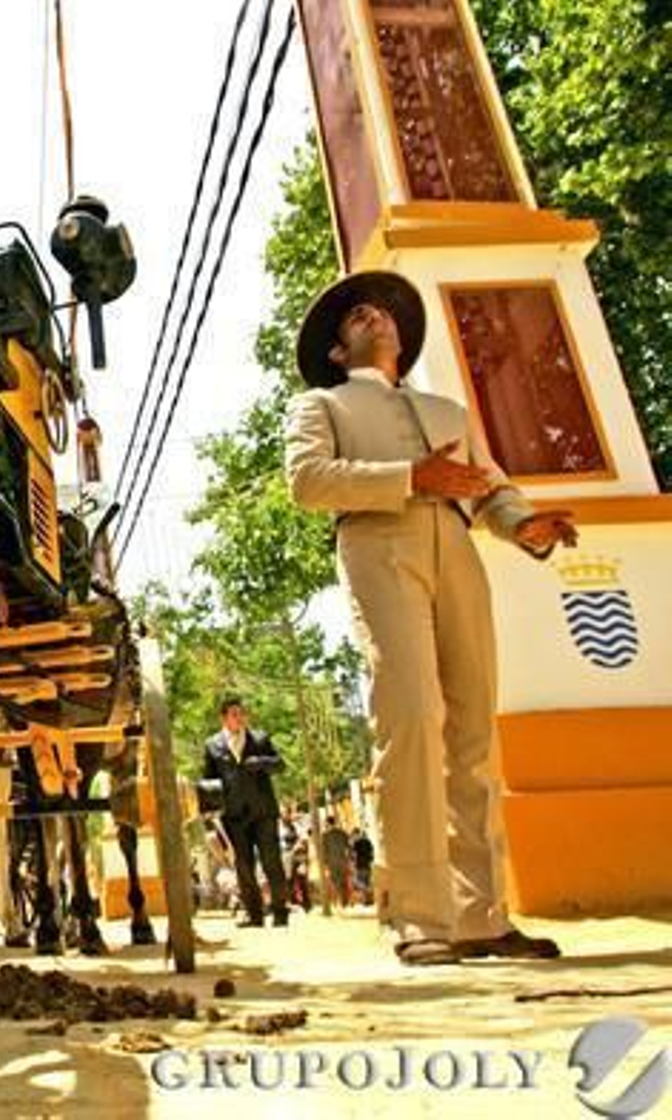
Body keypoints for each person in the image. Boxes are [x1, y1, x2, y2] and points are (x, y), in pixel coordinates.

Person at [285, 270, 577, 966]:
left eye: (382, 311)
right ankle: (417, 916)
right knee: (412, 714)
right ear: (336, 349)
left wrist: (524, 525)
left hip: (457, 549)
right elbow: (306, 481)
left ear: (402, 337)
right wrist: (411, 478)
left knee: (473, 725)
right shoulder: (319, 405)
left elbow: (490, 487)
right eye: (357, 316)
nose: (374, 317)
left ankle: (482, 916)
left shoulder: (449, 412)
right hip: (378, 544)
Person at [200, 697, 290, 928]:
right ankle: (255, 915)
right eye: (234, 714)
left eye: (242, 713)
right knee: (244, 867)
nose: (239, 718)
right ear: (224, 718)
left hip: (263, 812)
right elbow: (208, 780)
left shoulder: (259, 738)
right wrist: (209, 814)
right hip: (234, 815)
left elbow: (280, 764)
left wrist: (260, 762)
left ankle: (281, 912)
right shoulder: (212, 745)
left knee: (272, 863)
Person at [320, 815, 353, 907]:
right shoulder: (343, 833)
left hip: (331, 861)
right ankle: (344, 900)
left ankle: (340, 899)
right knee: (343, 880)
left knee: (334, 880)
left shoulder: (325, 835)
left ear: (327, 823)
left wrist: (325, 863)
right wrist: (349, 859)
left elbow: (324, 850)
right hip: (342, 860)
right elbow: (349, 847)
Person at [352, 828, 376, 904]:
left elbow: (354, 854)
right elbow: (372, 852)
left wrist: (353, 863)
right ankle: (367, 900)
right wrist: (370, 860)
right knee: (366, 881)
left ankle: (366, 896)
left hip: (360, 865)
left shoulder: (356, 843)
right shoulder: (368, 842)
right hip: (367, 864)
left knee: (358, 881)